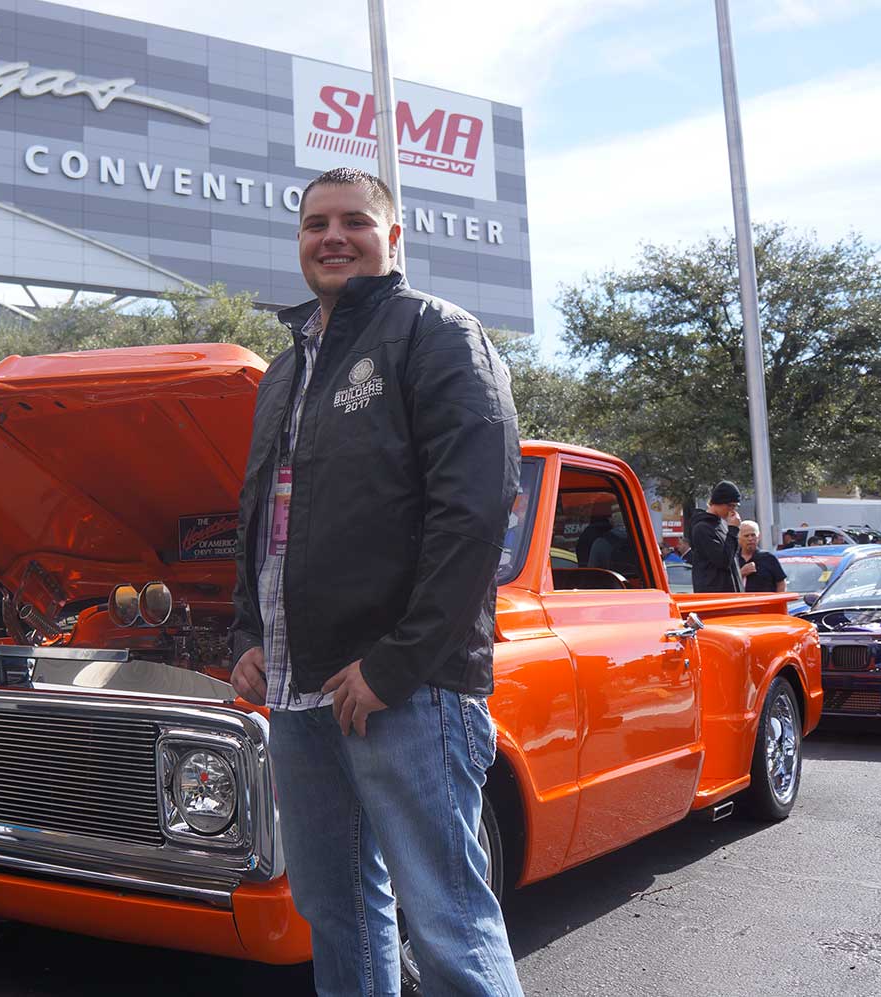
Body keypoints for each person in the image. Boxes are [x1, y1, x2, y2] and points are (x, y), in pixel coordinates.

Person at [228, 167, 523, 996]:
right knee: (341, 916)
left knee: (449, 925)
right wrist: (248, 635)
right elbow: (260, 516)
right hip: (300, 691)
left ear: (394, 238)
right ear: (298, 242)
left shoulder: (438, 335)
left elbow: (473, 516)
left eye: (354, 220)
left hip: (408, 691)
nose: (332, 236)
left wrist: (396, 663)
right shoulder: (286, 371)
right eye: (315, 223)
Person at [690, 480, 744, 593]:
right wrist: (733, 530)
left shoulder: (723, 524)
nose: (732, 511)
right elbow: (723, 561)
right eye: (730, 506)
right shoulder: (702, 528)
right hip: (715, 596)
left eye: (735, 506)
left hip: (731, 595)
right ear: (717, 502)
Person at [738, 519, 786, 593]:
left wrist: (779, 601)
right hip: (742, 603)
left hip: (766, 603)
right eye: (746, 536)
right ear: (739, 538)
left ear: (758, 537)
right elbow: (724, 585)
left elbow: (781, 583)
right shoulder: (733, 559)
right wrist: (741, 573)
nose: (750, 539)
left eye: (753, 535)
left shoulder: (768, 558)